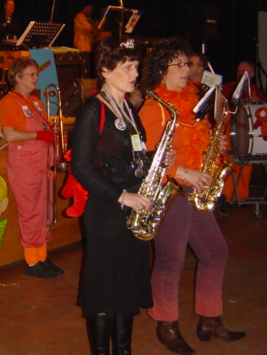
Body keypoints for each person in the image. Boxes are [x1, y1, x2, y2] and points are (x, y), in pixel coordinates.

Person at [138, 37, 246, 355]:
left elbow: (196, 142)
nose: (187, 69)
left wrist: (214, 146)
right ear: (162, 69)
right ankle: (166, 324)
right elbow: (148, 159)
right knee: (170, 259)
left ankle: (209, 319)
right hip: (171, 191)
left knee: (215, 252)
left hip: (194, 189)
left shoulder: (193, 104)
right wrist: (185, 173)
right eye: (180, 64)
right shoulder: (154, 108)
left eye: (187, 63)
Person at [71, 38, 153, 355]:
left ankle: (124, 349)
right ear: (105, 70)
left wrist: (156, 161)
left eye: (136, 66)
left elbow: (132, 155)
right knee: (106, 290)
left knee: (126, 285)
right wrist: (122, 196)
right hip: (107, 210)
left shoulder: (129, 108)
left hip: (131, 209)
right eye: (127, 67)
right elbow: (81, 167)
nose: (135, 74)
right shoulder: (93, 110)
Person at [0, 57, 64, 278]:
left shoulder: (35, 102)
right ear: (17, 77)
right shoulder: (9, 102)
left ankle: (42, 256)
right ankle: (32, 261)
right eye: (31, 75)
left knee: (44, 211)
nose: (36, 78)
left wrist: (50, 134)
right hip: (25, 166)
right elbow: (10, 134)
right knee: (31, 212)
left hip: (42, 163)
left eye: (36, 74)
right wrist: (38, 135)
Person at [221, 60, 266, 204]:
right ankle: (226, 196)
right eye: (239, 71)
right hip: (230, 130)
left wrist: (255, 101)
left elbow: (262, 113)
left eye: (244, 72)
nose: (240, 74)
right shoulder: (229, 87)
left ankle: (241, 196)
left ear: (251, 74)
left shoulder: (256, 91)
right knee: (228, 162)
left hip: (246, 134)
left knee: (245, 165)